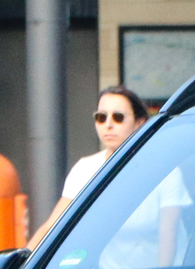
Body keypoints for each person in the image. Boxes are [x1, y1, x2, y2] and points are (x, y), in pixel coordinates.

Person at [36, 86, 151, 248]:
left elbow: (169, 237)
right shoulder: (84, 169)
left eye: (118, 117)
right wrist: (20, 264)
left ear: (139, 123)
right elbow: (52, 227)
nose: (108, 124)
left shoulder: (160, 168)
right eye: (101, 117)